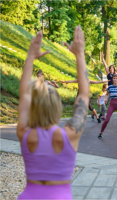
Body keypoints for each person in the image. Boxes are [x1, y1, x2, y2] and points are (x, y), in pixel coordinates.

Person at [17, 26, 89, 199]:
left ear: (34, 106)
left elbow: (25, 94)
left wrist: (30, 56)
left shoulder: (25, 133)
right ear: (58, 105)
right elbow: (84, 94)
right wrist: (79, 54)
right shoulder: (70, 134)